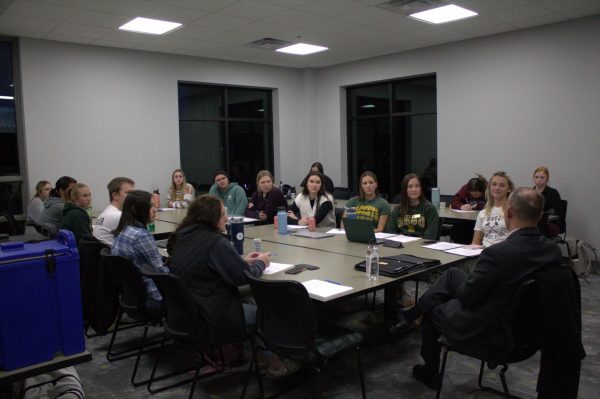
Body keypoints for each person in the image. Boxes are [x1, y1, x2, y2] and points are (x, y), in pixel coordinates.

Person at [387, 187, 562, 390]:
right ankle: (411, 314)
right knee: (452, 275)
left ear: (509, 212)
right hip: (529, 331)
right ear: (540, 216)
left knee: (434, 311)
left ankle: (429, 370)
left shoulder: (498, 254)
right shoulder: (553, 252)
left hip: (490, 330)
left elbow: (468, 297)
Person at [112, 190, 169, 313]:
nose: (155, 210)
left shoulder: (122, 230)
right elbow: (161, 272)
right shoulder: (141, 236)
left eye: (155, 205)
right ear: (134, 210)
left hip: (131, 296)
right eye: (150, 206)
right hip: (153, 296)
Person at [385, 173, 439, 239]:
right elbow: (389, 233)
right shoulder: (397, 210)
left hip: (421, 247)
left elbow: (430, 237)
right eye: (410, 187)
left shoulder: (430, 209)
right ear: (405, 189)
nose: (414, 190)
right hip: (401, 245)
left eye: (417, 186)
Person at [470, 171, 514, 248]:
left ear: (509, 189)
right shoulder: (482, 213)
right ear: (489, 187)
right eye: (494, 184)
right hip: (485, 254)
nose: (497, 188)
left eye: (502, 185)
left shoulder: (513, 211)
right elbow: (476, 242)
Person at [93, 177, 135, 246]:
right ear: (115, 195)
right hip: (116, 255)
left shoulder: (106, 213)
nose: (133, 197)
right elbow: (139, 241)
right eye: (128, 193)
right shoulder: (118, 216)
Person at [533, 166, 563, 237]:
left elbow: (557, 212)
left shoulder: (553, 193)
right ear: (533, 178)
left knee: (535, 227)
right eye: (537, 177)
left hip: (550, 222)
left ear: (547, 179)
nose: (539, 180)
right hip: (534, 222)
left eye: (542, 177)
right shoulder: (530, 193)